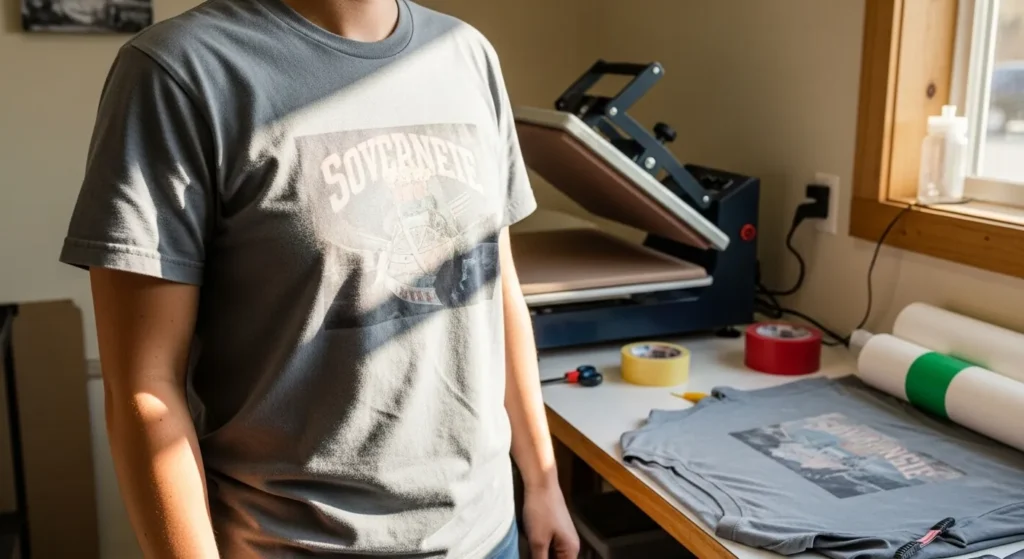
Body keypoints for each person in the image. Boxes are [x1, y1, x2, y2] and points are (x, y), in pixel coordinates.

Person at [58, 0, 580, 557]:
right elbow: (145, 387)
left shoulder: (466, 54)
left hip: (487, 536)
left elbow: (498, 290)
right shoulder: (180, 71)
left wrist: (542, 480)